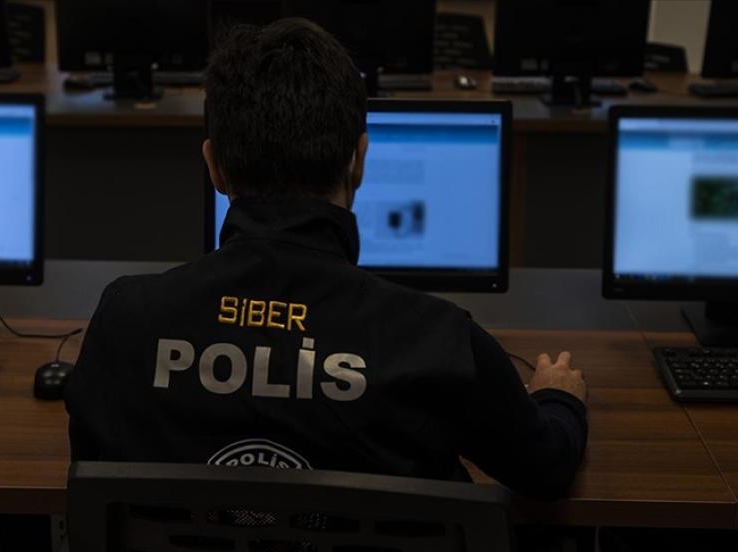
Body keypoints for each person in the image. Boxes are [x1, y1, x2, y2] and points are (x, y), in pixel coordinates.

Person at [64, 18, 588, 499]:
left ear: (214, 167)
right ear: (359, 160)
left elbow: (94, 472)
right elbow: (545, 468)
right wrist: (559, 399)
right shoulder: (441, 343)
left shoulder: (124, 321)